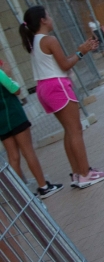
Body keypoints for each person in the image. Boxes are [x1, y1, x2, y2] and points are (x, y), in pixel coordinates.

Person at [19, 6, 104, 189]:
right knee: (75, 129)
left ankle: (78, 173)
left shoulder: (34, 41)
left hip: (44, 87)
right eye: (49, 15)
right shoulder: (49, 39)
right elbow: (64, 64)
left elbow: (58, 62)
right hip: (57, 86)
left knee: (69, 130)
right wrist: (81, 52)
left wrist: (80, 50)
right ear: (43, 20)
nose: (51, 18)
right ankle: (85, 173)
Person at [0, 60, 63, 198]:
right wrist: (7, 74)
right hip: (14, 115)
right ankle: (44, 186)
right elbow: (16, 89)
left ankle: (20, 195)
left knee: (13, 157)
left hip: (1, 122)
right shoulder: (0, 73)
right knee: (28, 151)